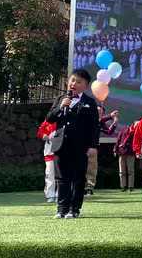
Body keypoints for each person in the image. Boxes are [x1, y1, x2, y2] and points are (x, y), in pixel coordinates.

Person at [45, 69, 100, 219]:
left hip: (80, 145)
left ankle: (74, 209)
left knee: (78, 177)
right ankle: (61, 209)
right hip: (61, 144)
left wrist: (93, 146)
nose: (74, 84)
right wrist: (60, 107)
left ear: (86, 86)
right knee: (61, 177)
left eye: (79, 81)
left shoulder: (89, 102)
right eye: (72, 80)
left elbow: (95, 126)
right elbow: (49, 118)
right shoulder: (61, 98)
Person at [85, 106, 118, 196]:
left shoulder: (100, 122)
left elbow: (108, 132)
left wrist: (114, 123)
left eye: (101, 112)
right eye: (97, 111)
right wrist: (110, 116)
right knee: (81, 168)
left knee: (91, 170)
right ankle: (80, 187)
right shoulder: (87, 119)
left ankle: (89, 188)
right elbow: (97, 120)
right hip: (82, 147)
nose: (99, 113)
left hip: (93, 148)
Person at [114, 121, 138, 193]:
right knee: (122, 171)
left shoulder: (137, 132)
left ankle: (131, 186)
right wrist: (115, 149)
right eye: (136, 124)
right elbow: (118, 140)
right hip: (122, 152)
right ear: (133, 124)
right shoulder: (124, 130)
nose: (137, 126)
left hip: (131, 153)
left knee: (131, 170)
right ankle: (123, 186)